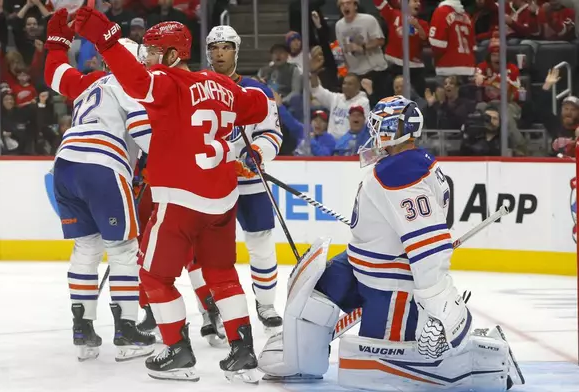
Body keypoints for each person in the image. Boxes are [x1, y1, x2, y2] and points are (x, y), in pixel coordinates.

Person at [258, 95, 525, 392]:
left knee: (370, 368)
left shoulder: (402, 171)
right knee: (317, 291)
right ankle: (303, 357)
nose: (376, 131)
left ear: (402, 128)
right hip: (361, 264)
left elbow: (429, 248)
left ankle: (482, 361)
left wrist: (440, 305)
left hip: (391, 284)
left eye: (382, 124)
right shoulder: (400, 163)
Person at [72, 7, 271, 382]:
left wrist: (108, 40)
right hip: (223, 199)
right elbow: (259, 105)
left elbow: (134, 82)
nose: (147, 57)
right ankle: (243, 351)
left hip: (180, 199)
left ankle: (178, 351)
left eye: (152, 50)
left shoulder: (166, 81)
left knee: (153, 278)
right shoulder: (222, 84)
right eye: (144, 50)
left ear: (173, 54)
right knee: (222, 273)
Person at [42, 9, 155, 362]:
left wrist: (57, 45)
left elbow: (54, 73)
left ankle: (84, 331)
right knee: (123, 250)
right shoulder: (133, 84)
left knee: (86, 249)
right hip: (102, 166)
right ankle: (126, 332)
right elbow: (143, 132)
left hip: (65, 163)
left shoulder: (90, 82)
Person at [206, 25, 284, 332]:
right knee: (211, 250)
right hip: (211, 184)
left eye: (225, 47)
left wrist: (258, 152)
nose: (219, 53)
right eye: (214, 48)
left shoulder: (258, 90)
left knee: (261, 242)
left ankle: (265, 305)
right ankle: (213, 306)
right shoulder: (198, 85)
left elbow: (272, 133)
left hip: (250, 182)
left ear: (236, 51)